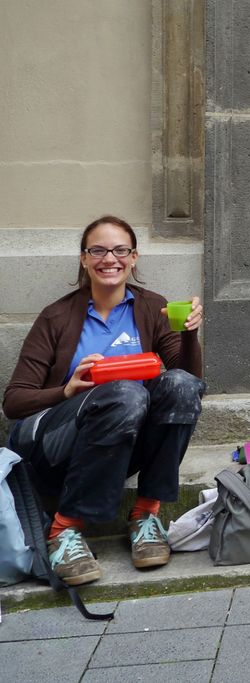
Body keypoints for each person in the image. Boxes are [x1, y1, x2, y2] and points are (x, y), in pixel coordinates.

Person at [3, 216, 205, 586]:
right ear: (83, 259)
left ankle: (145, 516)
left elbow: (188, 382)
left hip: (120, 439)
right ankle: (64, 530)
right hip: (54, 444)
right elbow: (14, 402)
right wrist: (67, 390)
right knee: (126, 391)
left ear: (133, 258)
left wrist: (189, 334)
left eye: (119, 250)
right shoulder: (56, 317)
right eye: (97, 250)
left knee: (179, 387)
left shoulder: (152, 307)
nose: (108, 258)